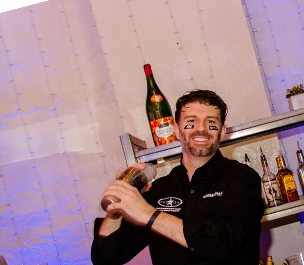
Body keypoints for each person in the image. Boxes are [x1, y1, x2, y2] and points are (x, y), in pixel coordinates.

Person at [91, 89, 265, 265]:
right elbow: (106, 258)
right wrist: (116, 211)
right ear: (176, 129)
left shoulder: (242, 179)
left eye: (211, 122)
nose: (201, 129)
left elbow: (222, 243)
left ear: (222, 131)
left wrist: (147, 214)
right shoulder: (159, 191)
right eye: (191, 122)